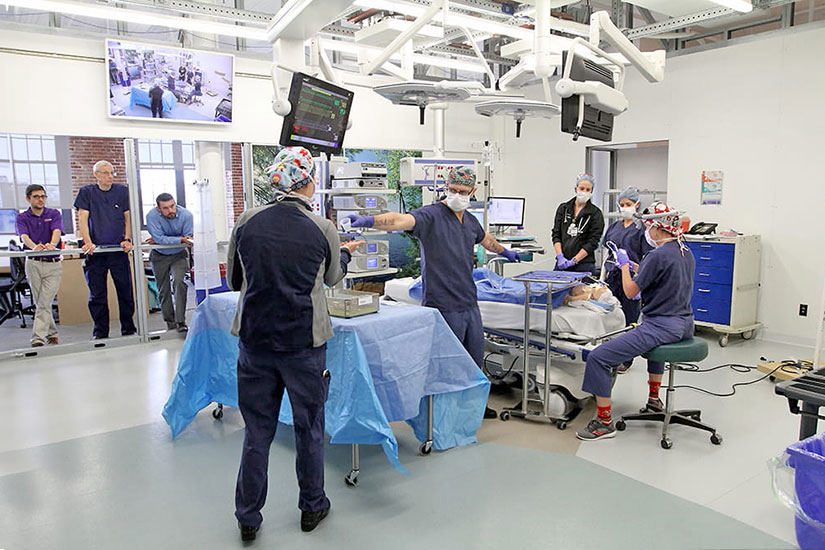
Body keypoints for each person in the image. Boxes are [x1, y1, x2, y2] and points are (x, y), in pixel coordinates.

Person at [229, 147, 363, 541]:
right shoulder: (323, 228)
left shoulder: (247, 221)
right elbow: (334, 278)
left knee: (257, 433)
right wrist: (346, 258)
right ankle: (312, 506)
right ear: (307, 182)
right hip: (303, 345)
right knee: (309, 428)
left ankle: (248, 517)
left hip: (255, 343)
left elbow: (237, 281)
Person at [345, 167, 521, 420]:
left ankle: (472, 406)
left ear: (473, 191)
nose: (457, 195)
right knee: (445, 364)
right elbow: (399, 220)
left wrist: (505, 252)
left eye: (462, 191)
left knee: (472, 360)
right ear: (446, 188)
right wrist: (368, 221)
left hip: (469, 302)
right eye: (453, 190)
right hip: (443, 303)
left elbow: (486, 240)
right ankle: (442, 415)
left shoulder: (470, 220)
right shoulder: (432, 216)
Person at [576, 202, 695, 441]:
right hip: (685, 325)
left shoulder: (657, 254)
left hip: (661, 326)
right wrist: (633, 266)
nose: (646, 233)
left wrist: (623, 268)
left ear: (657, 227)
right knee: (652, 349)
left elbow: (630, 292)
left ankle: (604, 422)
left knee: (599, 357)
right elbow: (655, 273)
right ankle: (653, 399)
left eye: (648, 228)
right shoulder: (684, 251)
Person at [74, 160, 136, 339]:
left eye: (112, 173)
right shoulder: (87, 193)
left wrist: (127, 239)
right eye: (105, 173)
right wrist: (87, 242)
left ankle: (129, 329)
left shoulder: (122, 192)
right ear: (96, 175)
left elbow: (127, 217)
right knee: (97, 295)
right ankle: (100, 333)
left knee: (125, 291)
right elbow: (83, 219)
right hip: (96, 253)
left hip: (117, 251)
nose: (110, 176)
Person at [602, 186, 652, 373]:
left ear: (636, 205)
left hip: (633, 278)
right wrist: (603, 277)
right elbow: (608, 251)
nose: (624, 207)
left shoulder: (641, 229)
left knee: (629, 319)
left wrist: (633, 267)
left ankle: (626, 359)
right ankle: (610, 354)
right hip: (613, 276)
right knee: (610, 315)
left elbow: (647, 256)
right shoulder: (614, 227)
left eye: (628, 204)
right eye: (622, 204)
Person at [15, 184, 63, 347]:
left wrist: (52, 244)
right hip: (34, 263)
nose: (40, 199)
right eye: (36, 196)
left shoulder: (54, 214)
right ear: (28, 199)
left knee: (44, 301)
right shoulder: (22, 217)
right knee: (41, 302)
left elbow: (56, 231)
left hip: (53, 263)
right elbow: (24, 236)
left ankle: (38, 339)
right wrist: (33, 247)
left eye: (43, 196)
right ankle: (52, 334)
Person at [145, 193, 193, 333]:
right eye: (165, 208)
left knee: (179, 283)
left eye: (172, 206)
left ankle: (181, 321)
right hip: (159, 255)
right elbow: (159, 240)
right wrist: (180, 239)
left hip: (179, 254)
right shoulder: (151, 216)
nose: (170, 210)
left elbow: (188, 238)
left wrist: (167, 239)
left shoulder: (186, 215)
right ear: (159, 209)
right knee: (163, 290)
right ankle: (170, 322)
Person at [551, 174, 605, 273]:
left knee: (581, 288)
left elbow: (592, 242)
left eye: (588, 190)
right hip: (562, 263)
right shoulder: (563, 209)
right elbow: (556, 234)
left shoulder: (595, 214)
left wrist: (574, 260)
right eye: (582, 188)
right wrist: (560, 256)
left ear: (591, 192)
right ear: (576, 189)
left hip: (584, 265)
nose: (584, 192)